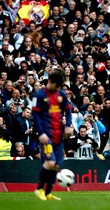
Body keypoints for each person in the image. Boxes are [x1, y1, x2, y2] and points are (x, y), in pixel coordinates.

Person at [32, 70, 73, 201]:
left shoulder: (61, 94)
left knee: (55, 165)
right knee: (49, 162)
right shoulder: (38, 95)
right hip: (46, 135)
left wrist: (68, 125)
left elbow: (68, 110)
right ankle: (39, 189)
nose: (58, 89)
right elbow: (35, 116)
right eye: (57, 85)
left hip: (59, 136)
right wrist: (41, 133)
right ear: (50, 81)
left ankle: (48, 192)